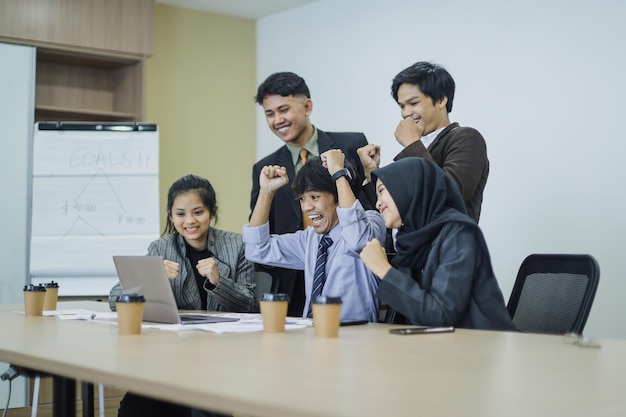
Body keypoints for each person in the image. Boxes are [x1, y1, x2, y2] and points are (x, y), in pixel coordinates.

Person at [109, 174, 256, 417]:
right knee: (133, 410)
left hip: (220, 356)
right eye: (180, 214)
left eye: (198, 212)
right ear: (170, 215)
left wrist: (220, 281)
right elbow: (116, 299)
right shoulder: (161, 248)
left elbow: (250, 305)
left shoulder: (237, 245)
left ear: (212, 211)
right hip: (167, 356)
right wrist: (149, 279)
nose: (190, 221)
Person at [252, 71, 371, 316]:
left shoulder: (350, 145)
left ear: (307, 106)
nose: (277, 120)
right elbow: (262, 234)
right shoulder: (265, 168)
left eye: (283, 109)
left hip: (350, 274)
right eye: (269, 114)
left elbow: (368, 208)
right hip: (293, 277)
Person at [359, 157, 516, 331]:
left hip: (481, 347)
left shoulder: (458, 233)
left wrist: (383, 269)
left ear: (409, 187)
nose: (377, 202)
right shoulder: (410, 241)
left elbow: (441, 316)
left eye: (381, 191)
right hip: (439, 348)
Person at [244, 150, 386, 322]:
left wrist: (338, 174)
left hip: (356, 338)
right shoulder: (310, 238)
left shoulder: (370, 221)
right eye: (302, 199)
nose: (306, 207)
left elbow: (357, 241)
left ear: (337, 195)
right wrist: (266, 192)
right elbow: (257, 249)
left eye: (314, 197)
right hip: (312, 336)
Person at [358, 61, 489, 223]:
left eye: (413, 103)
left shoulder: (467, 138)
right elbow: (385, 213)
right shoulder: (416, 149)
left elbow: (449, 198)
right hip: (409, 247)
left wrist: (412, 144)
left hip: (446, 246)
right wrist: (370, 171)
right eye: (402, 106)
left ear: (441, 99)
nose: (405, 113)